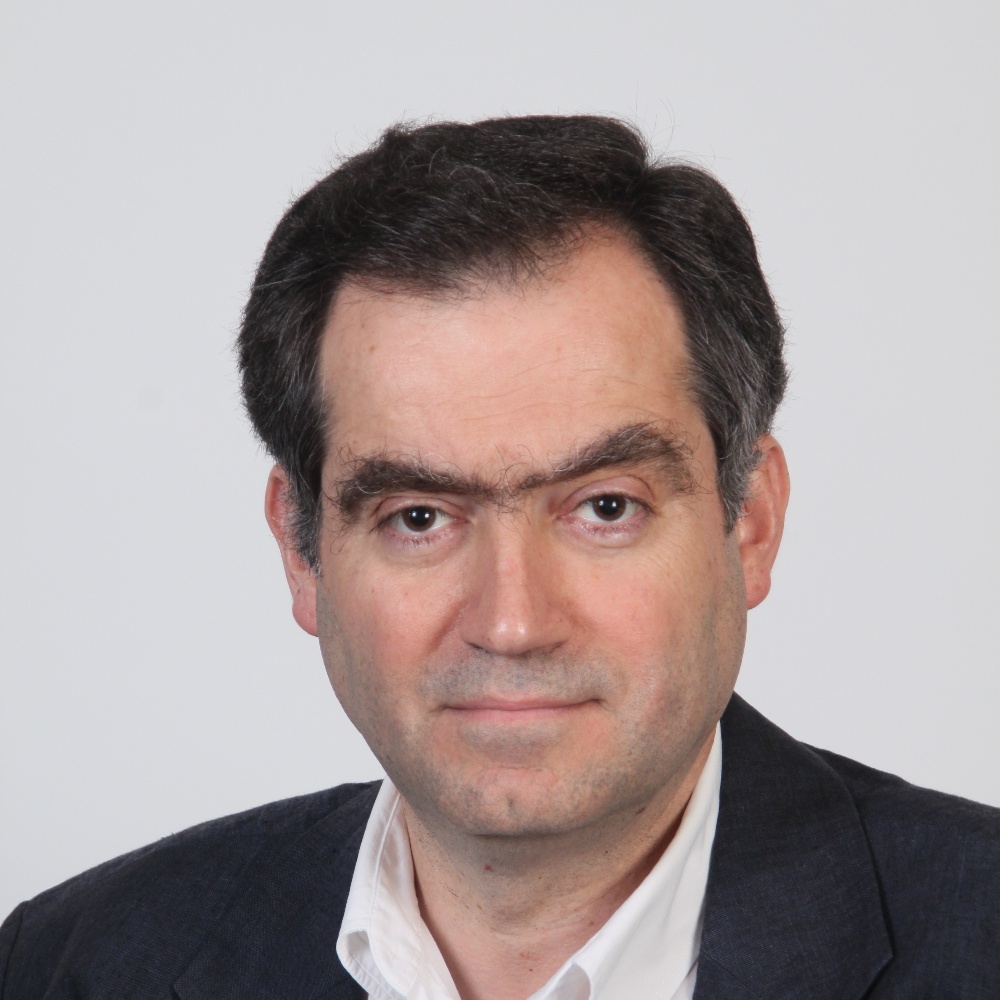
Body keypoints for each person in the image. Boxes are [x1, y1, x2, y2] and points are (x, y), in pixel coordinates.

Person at [2, 115, 998, 999]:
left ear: (751, 524)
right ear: (302, 553)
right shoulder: (72, 965)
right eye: (418, 518)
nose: (512, 622)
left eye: (604, 507)